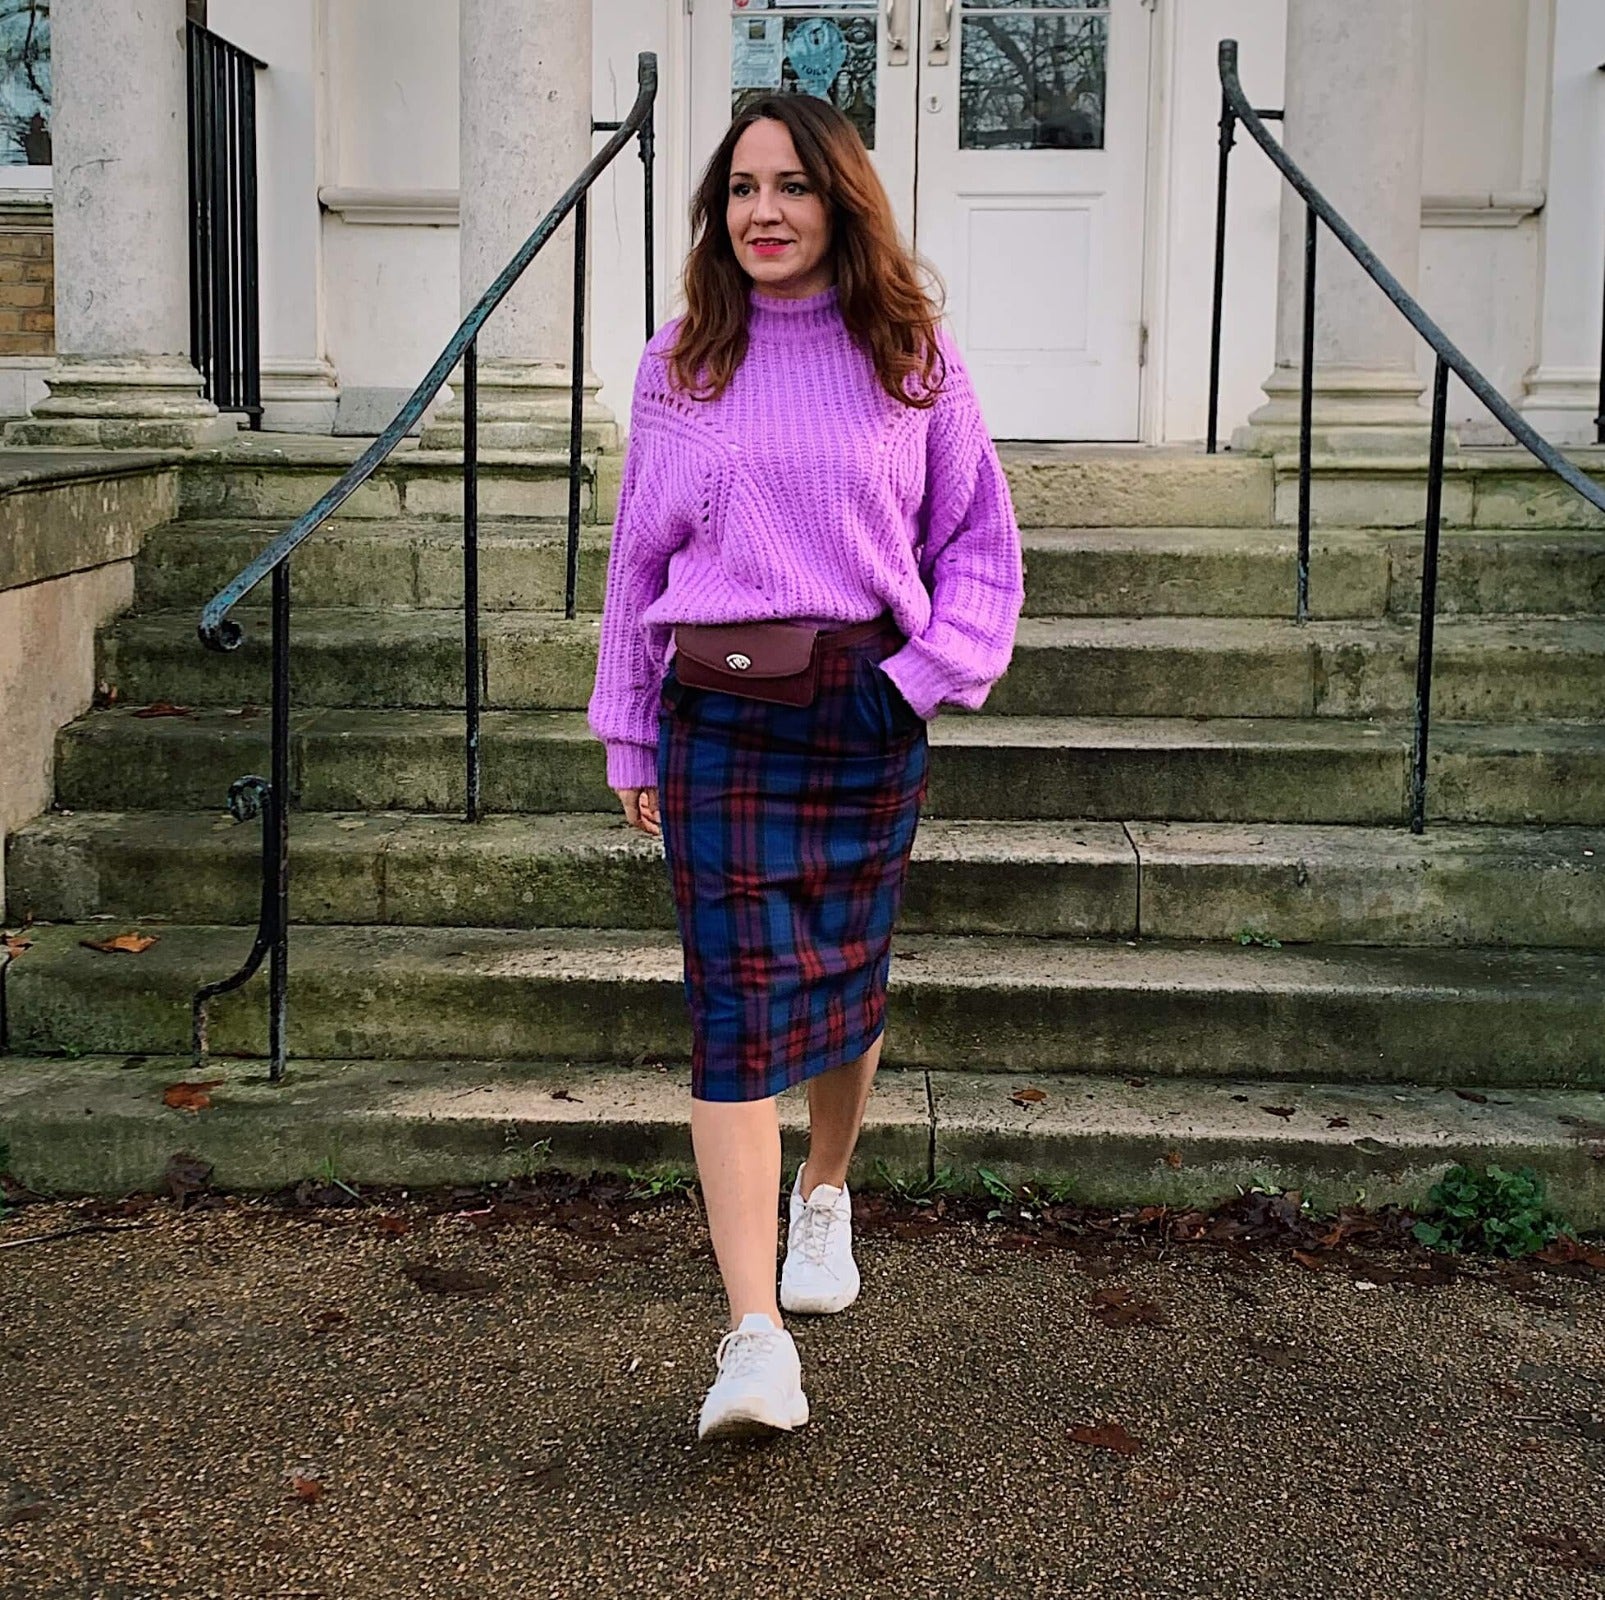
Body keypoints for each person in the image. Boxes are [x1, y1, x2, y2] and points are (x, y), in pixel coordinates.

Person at [587, 93, 1024, 1441]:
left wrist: (916, 682)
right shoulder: (680, 362)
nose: (761, 211)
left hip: (862, 713)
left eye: (789, 185)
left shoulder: (909, 355)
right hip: (716, 717)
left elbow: (979, 547)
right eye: (738, 189)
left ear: (841, 200)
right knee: (732, 1011)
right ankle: (751, 1340)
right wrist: (626, 725)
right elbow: (634, 569)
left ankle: (822, 1191)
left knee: (845, 974)